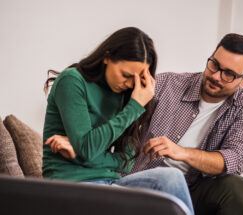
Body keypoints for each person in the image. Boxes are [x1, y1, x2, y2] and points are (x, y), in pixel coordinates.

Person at [42, 27, 194, 215]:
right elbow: (87, 149)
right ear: (107, 57)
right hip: (72, 183)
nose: (130, 84)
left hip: (111, 182)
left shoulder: (126, 94)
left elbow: (126, 162)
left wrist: (78, 154)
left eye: (137, 79)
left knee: (171, 177)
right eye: (126, 75)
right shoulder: (73, 81)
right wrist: (135, 106)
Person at [130, 33, 243, 215]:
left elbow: (235, 159)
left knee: (237, 187)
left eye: (229, 74)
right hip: (145, 180)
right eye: (214, 65)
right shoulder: (168, 84)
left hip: (194, 188)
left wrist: (182, 153)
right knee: (168, 177)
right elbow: (115, 107)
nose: (216, 76)